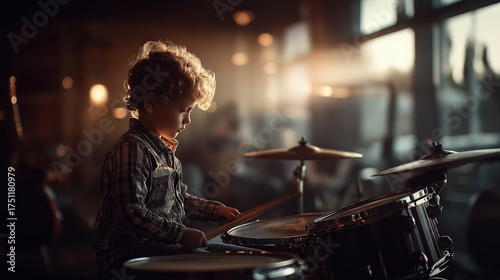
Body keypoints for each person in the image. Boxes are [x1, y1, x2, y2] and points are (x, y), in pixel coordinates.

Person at [93, 40, 256, 280]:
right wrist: (179, 234)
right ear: (150, 103)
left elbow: (178, 199)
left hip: (161, 248)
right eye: (183, 110)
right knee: (234, 267)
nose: (188, 120)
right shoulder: (132, 148)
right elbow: (129, 213)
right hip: (131, 259)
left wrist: (217, 211)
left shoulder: (164, 150)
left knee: (244, 257)